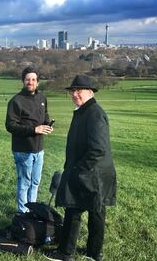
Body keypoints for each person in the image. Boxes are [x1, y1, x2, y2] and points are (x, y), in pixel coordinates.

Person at [44, 75, 117, 261]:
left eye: (79, 90)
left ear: (90, 92)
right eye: (72, 91)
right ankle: (94, 253)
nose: (75, 94)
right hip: (93, 172)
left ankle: (66, 253)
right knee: (95, 211)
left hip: (91, 173)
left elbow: (98, 148)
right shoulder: (84, 110)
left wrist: (78, 169)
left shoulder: (94, 113)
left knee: (75, 208)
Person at [6, 67, 53, 213]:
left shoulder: (42, 98)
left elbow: (45, 116)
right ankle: (22, 213)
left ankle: (32, 210)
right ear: (23, 81)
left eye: (33, 79)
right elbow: (10, 125)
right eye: (27, 79)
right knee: (24, 183)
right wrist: (34, 129)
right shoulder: (16, 101)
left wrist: (48, 124)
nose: (30, 82)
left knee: (35, 182)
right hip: (23, 150)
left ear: (37, 82)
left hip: (39, 149)